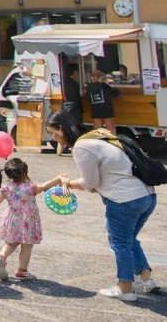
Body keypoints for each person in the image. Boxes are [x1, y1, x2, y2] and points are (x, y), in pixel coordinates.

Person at [52, 114, 162, 301]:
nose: (53, 137)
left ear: (61, 129)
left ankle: (125, 288)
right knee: (129, 240)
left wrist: (67, 183)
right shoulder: (100, 136)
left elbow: (90, 182)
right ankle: (147, 279)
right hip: (147, 196)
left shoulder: (81, 146)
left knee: (120, 244)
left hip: (125, 200)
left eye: (52, 132)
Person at [0, 156, 66, 282]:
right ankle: (22, 271)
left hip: (12, 220)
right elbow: (45, 186)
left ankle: (1, 257)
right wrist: (59, 178)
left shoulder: (6, 187)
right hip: (27, 221)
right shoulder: (30, 187)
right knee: (26, 246)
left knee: (11, 243)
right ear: (24, 172)